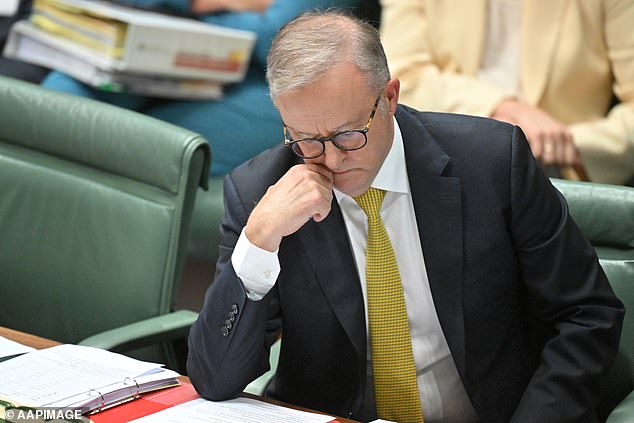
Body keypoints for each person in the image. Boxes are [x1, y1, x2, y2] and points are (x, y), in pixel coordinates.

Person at [187, 10, 624, 423]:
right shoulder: (259, 193)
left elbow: (587, 315)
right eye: (306, 140)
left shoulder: (492, 164)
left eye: (348, 135)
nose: (332, 160)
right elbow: (214, 377)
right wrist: (259, 242)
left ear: (390, 97)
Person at [40, 0, 360, 176]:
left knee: (165, 147)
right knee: (55, 102)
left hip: (257, 81)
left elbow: (281, 37)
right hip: (149, 43)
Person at [379, 0, 634, 186]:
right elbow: (398, 79)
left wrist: (567, 144)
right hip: (442, 152)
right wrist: (504, 108)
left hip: (556, 174)